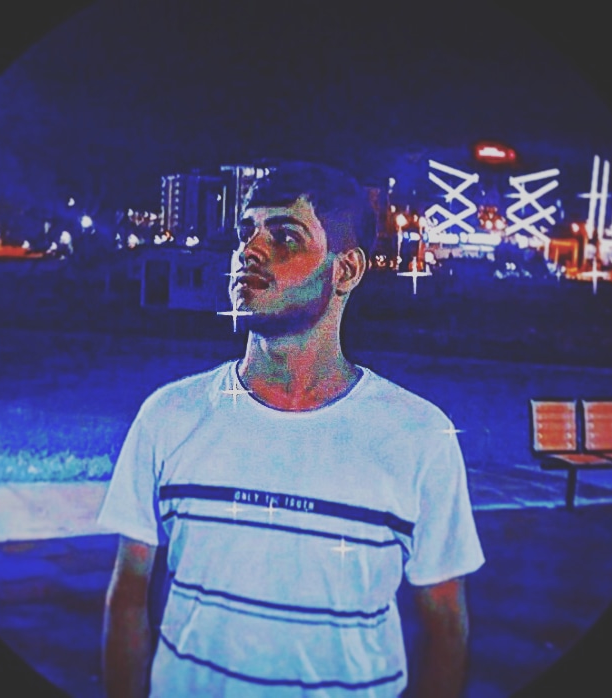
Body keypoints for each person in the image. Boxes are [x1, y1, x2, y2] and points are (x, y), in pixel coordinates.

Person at [98, 161, 485, 698]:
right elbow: (129, 595)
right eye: (246, 232)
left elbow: (445, 628)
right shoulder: (168, 416)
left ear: (346, 270)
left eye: (284, 236)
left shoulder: (417, 437)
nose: (250, 250)